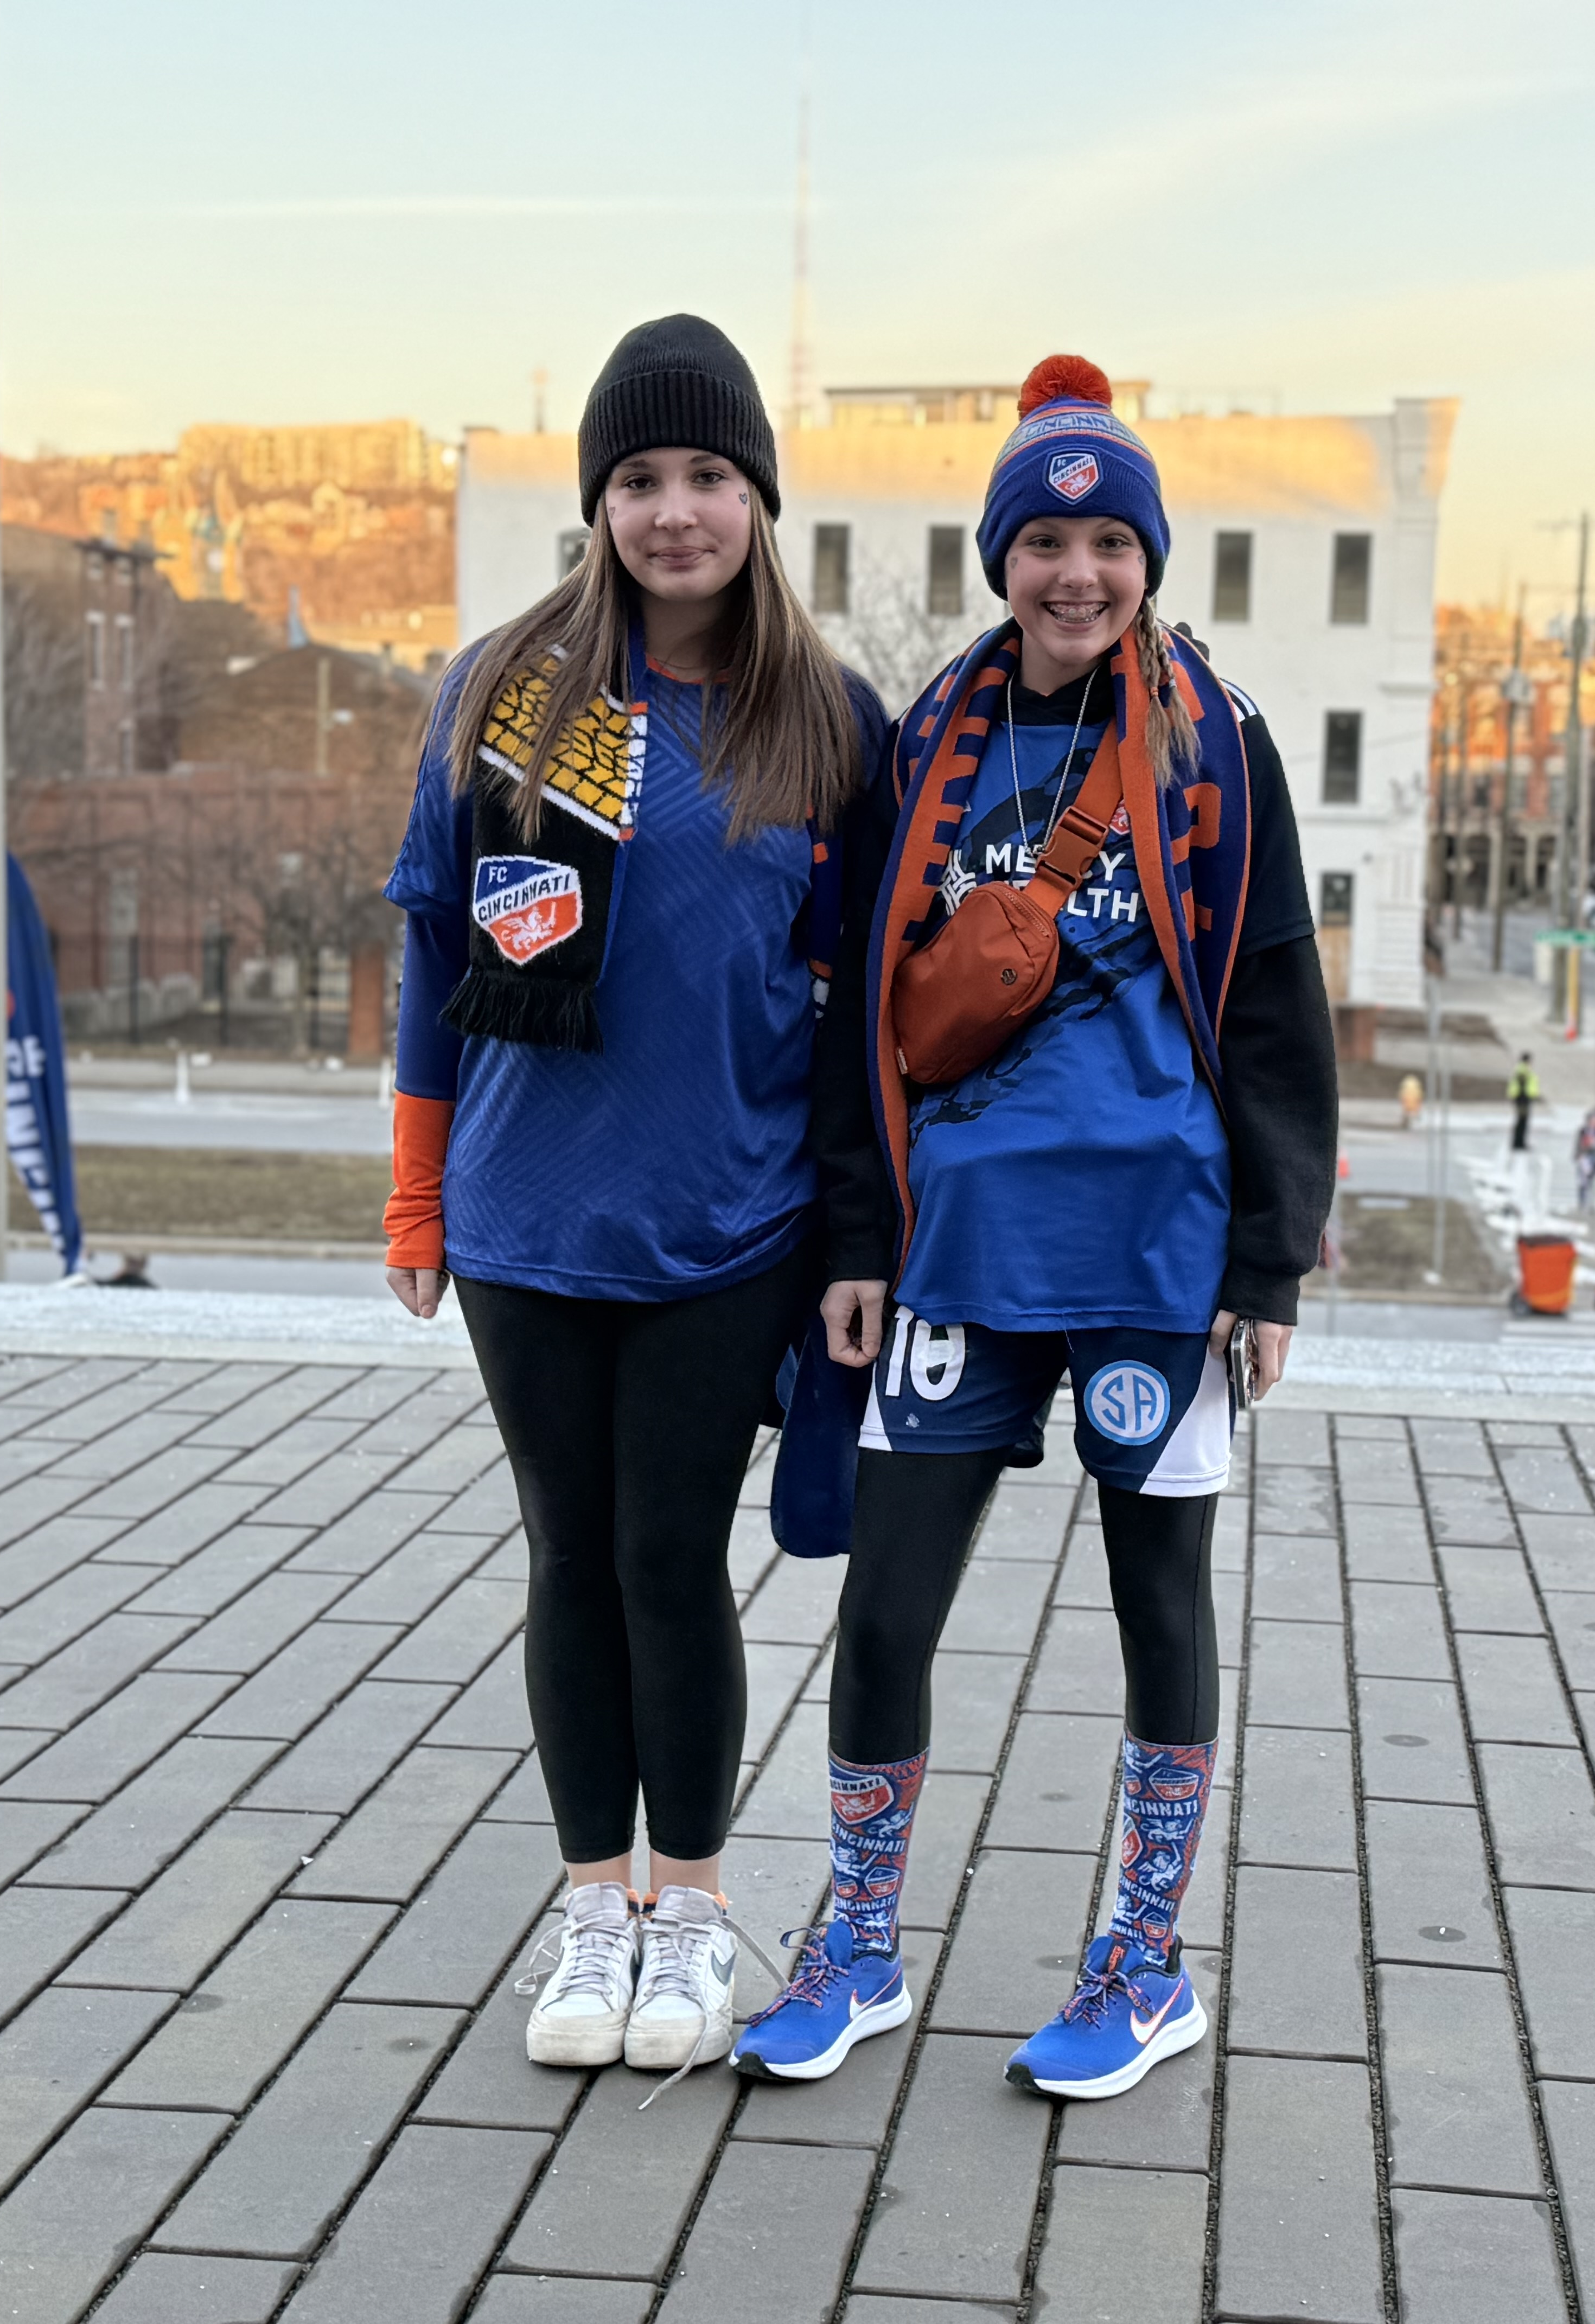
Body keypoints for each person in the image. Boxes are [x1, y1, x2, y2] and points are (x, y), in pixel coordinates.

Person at [732, 356, 1338, 2103]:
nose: (1075, 570)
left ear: (1147, 557)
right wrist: (855, 1240)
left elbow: (1279, 1007)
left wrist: (1268, 1266)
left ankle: (1145, 1967)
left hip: (1159, 1246)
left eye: (1106, 539)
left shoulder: (1216, 743)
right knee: (887, 1605)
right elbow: (858, 1008)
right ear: (1000, 555)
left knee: (1158, 1598)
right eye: (1043, 538)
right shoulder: (928, 737)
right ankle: (854, 1947)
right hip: (959, 1249)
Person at [384, 315, 886, 2075]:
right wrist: (412, 1198)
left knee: (673, 1558)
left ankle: (690, 1913)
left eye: (707, 477)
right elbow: (436, 954)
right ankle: (591, 1907)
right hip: (526, 1220)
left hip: (722, 1228)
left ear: (757, 495)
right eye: (639, 479)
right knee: (568, 1561)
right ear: (597, 502)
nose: (674, 512)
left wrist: (852, 1240)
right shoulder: (507, 690)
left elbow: (863, 1020)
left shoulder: (824, 718)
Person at [1507, 1052, 1541, 1151]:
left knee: (1521, 1121)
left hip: (1522, 1099)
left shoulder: (1521, 1070)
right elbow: (1523, 1086)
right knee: (1522, 1122)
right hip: (1523, 1100)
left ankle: (1518, 1143)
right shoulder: (1524, 1071)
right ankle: (1519, 1143)